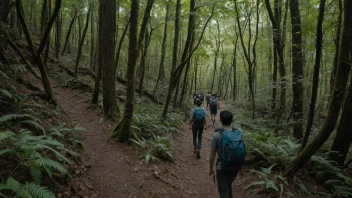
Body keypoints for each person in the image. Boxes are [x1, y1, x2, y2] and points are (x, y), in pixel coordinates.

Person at [209, 110, 245, 198]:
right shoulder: (237, 133)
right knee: (228, 185)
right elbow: (241, 151)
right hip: (235, 166)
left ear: (221, 120)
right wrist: (241, 168)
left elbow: (212, 155)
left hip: (222, 167)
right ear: (231, 120)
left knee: (223, 192)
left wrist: (210, 168)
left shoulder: (217, 135)